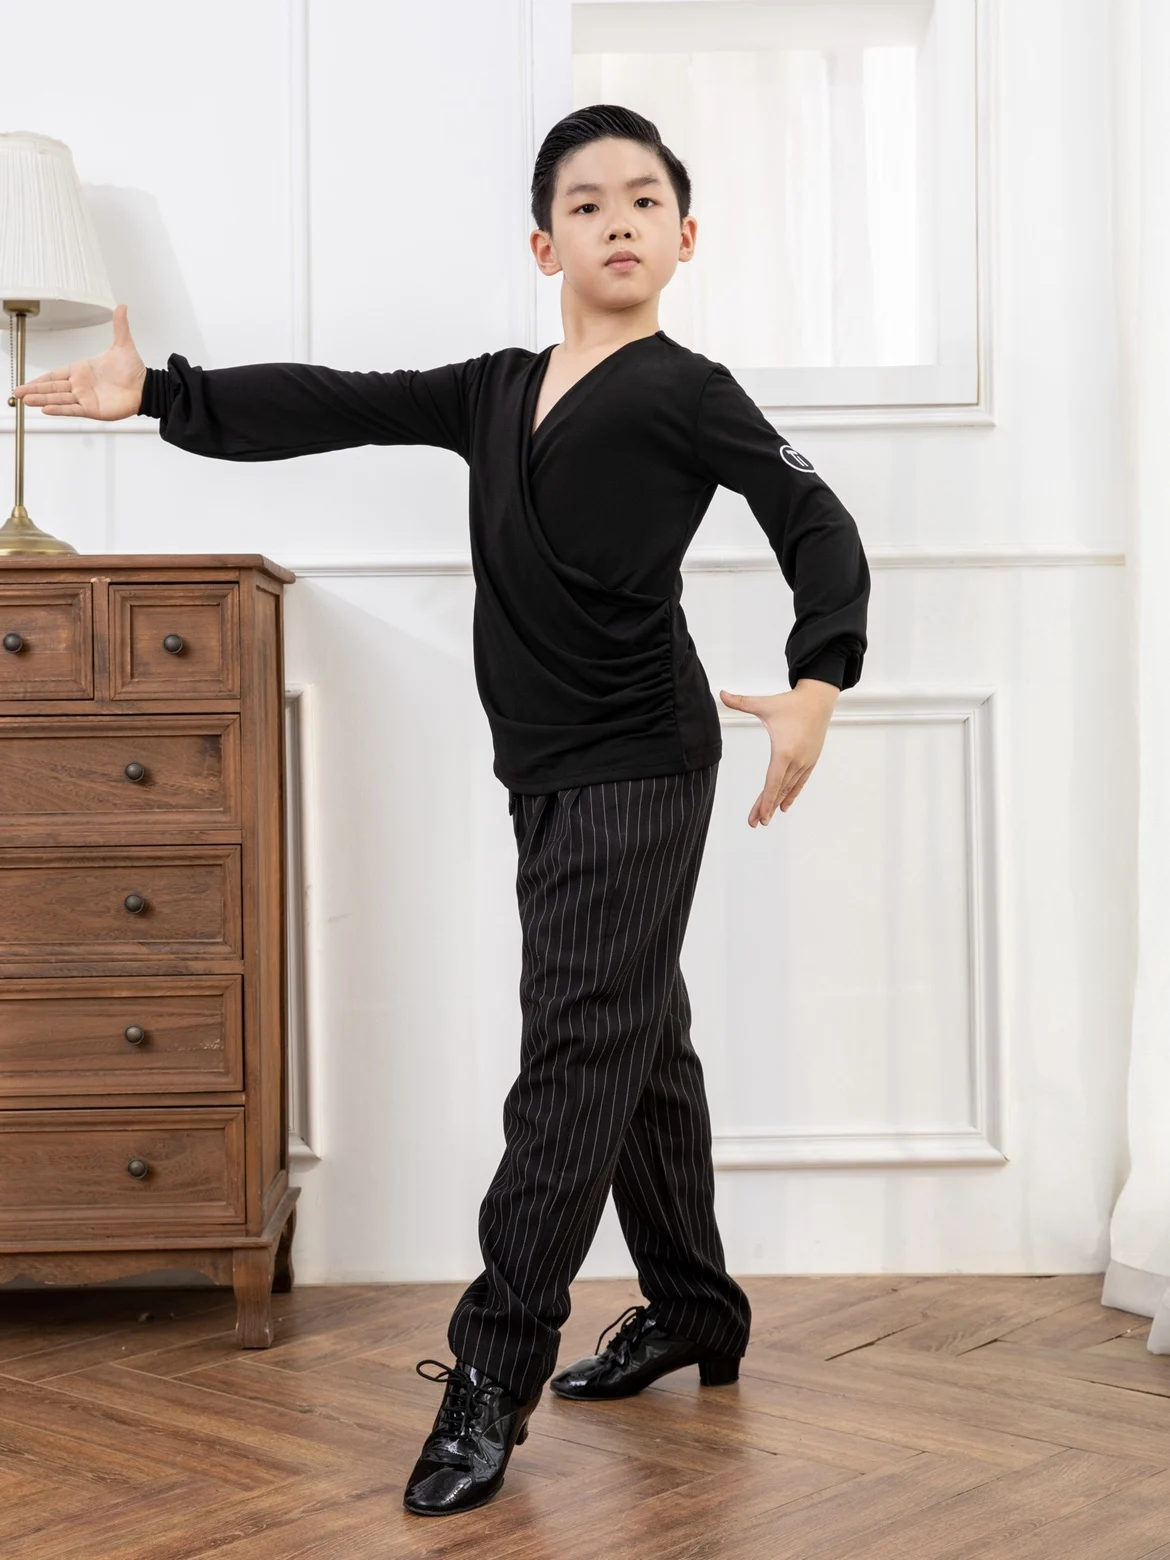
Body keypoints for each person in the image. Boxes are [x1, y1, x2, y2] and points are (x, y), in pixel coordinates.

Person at [13, 102, 870, 1519]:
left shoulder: (687, 389)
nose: (615, 219)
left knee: (574, 1054)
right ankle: (697, 1310)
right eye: (585, 202)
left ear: (683, 238)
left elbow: (812, 517)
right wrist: (159, 393)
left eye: (642, 200)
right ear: (544, 242)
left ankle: (494, 1368)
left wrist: (816, 678)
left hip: (641, 764)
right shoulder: (493, 388)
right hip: (542, 769)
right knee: (635, 1038)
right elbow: (335, 402)